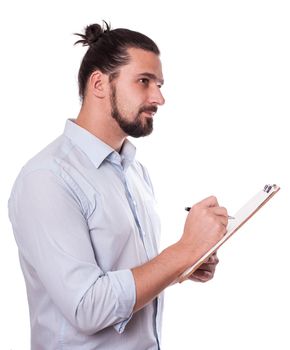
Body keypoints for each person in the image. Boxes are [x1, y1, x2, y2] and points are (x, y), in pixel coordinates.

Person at [8, 21, 228, 350]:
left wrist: (188, 260)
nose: (159, 97)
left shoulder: (134, 171)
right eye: (144, 82)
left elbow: (126, 276)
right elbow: (87, 306)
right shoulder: (46, 179)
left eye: (159, 84)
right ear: (99, 83)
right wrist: (182, 250)